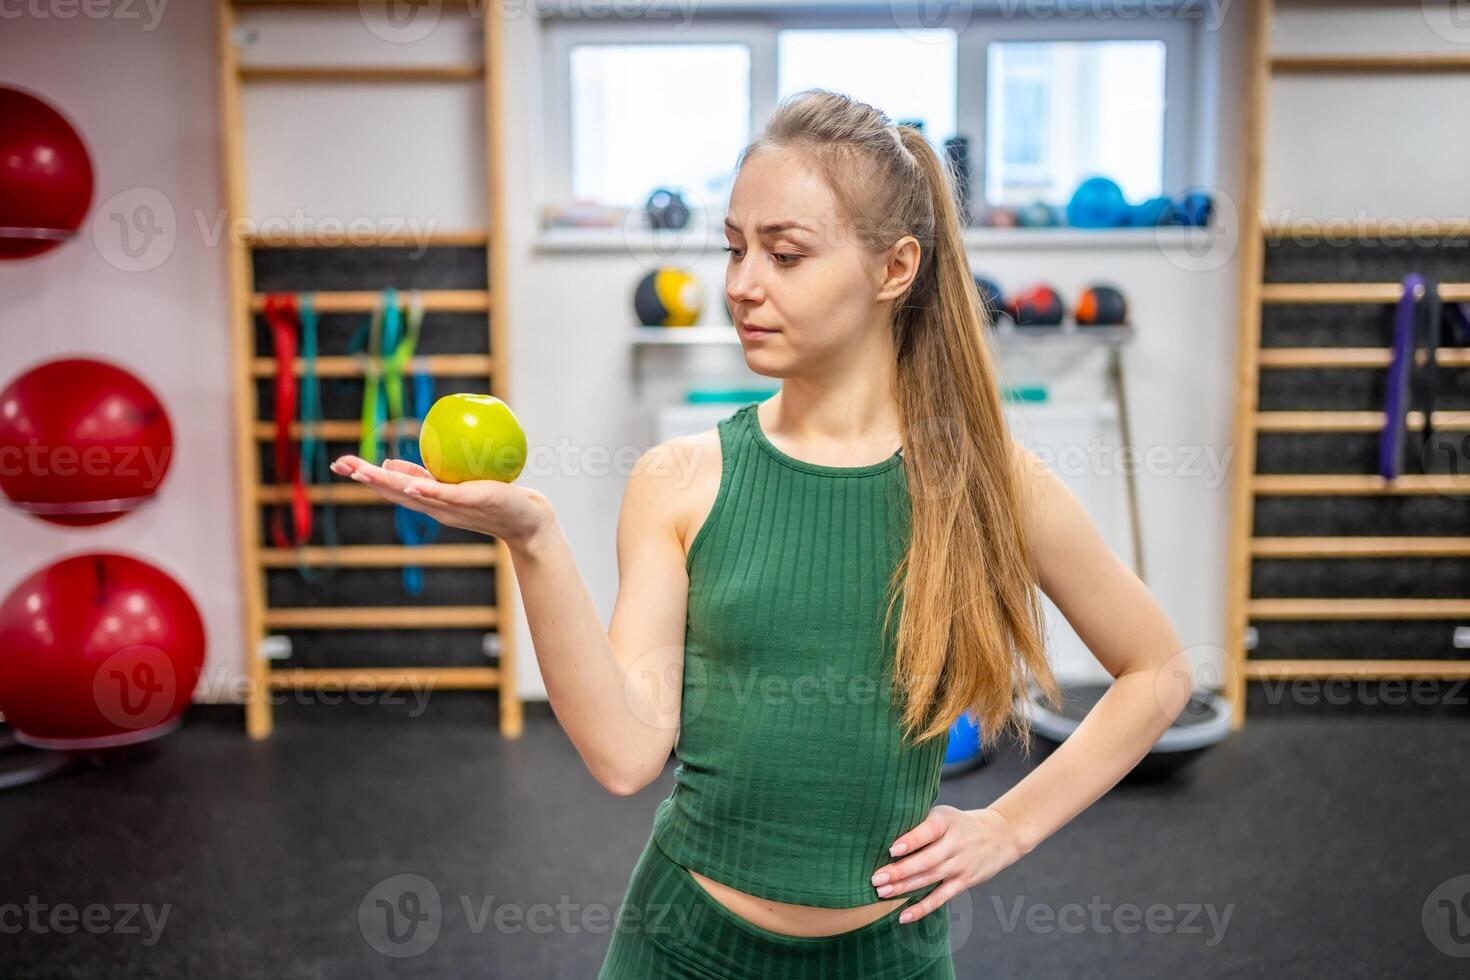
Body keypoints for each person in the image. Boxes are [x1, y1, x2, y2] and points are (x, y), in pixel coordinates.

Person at [331, 89, 1193, 980]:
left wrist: (1008, 826)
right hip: (680, 948)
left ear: (895, 269)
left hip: (888, 960)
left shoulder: (987, 482)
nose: (743, 284)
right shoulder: (678, 480)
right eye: (735, 249)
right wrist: (535, 542)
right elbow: (627, 754)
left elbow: (1158, 672)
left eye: (785, 254)